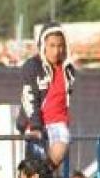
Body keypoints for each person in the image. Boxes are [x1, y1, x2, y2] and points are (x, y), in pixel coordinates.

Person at [16, 22, 76, 169]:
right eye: (52, 46)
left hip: (58, 123)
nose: (57, 51)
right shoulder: (32, 66)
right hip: (36, 123)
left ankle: (45, 175)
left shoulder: (68, 69)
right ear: (43, 46)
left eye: (60, 46)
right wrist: (36, 126)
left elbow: (64, 99)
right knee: (33, 166)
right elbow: (29, 99)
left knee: (60, 148)